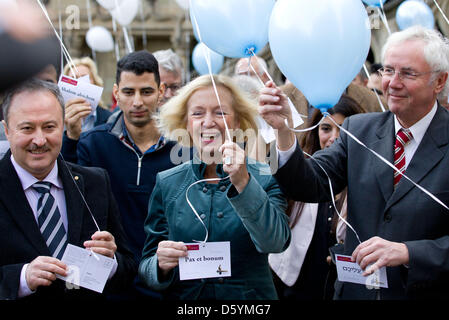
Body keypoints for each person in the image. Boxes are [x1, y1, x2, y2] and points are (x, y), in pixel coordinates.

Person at [259, 25, 449, 300]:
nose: (392, 83)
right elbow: (310, 183)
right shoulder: (358, 130)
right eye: (388, 70)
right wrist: (284, 132)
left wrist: (409, 252)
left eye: (407, 73)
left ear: (440, 82)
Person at [138, 74, 290, 300]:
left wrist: (243, 182)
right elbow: (147, 266)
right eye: (197, 113)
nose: (208, 122)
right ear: (186, 123)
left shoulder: (265, 175)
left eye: (220, 112)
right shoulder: (168, 182)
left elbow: (275, 242)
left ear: (237, 122)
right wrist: (160, 265)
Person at [0, 78, 135, 300]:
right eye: (27, 128)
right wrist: (22, 278)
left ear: (63, 125)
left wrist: (110, 263)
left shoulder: (95, 183)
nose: (39, 139)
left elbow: (127, 269)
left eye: (49, 127)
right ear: (7, 130)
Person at [61, 50, 179, 299]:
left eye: (146, 91)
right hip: (113, 279)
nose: (137, 102)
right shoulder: (93, 144)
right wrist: (70, 138)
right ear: (116, 93)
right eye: (128, 92)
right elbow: (71, 195)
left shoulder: (184, 149)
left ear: (161, 92)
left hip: (168, 279)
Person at [269, 95, 365, 300]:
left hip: (346, 287)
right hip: (299, 285)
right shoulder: (299, 172)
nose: (334, 137)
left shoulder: (368, 181)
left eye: (343, 130)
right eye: (326, 129)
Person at [62, 57, 112, 140]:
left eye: (84, 78)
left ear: (95, 83)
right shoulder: (57, 120)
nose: (79, 83)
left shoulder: (110, 119)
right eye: (74, 79)